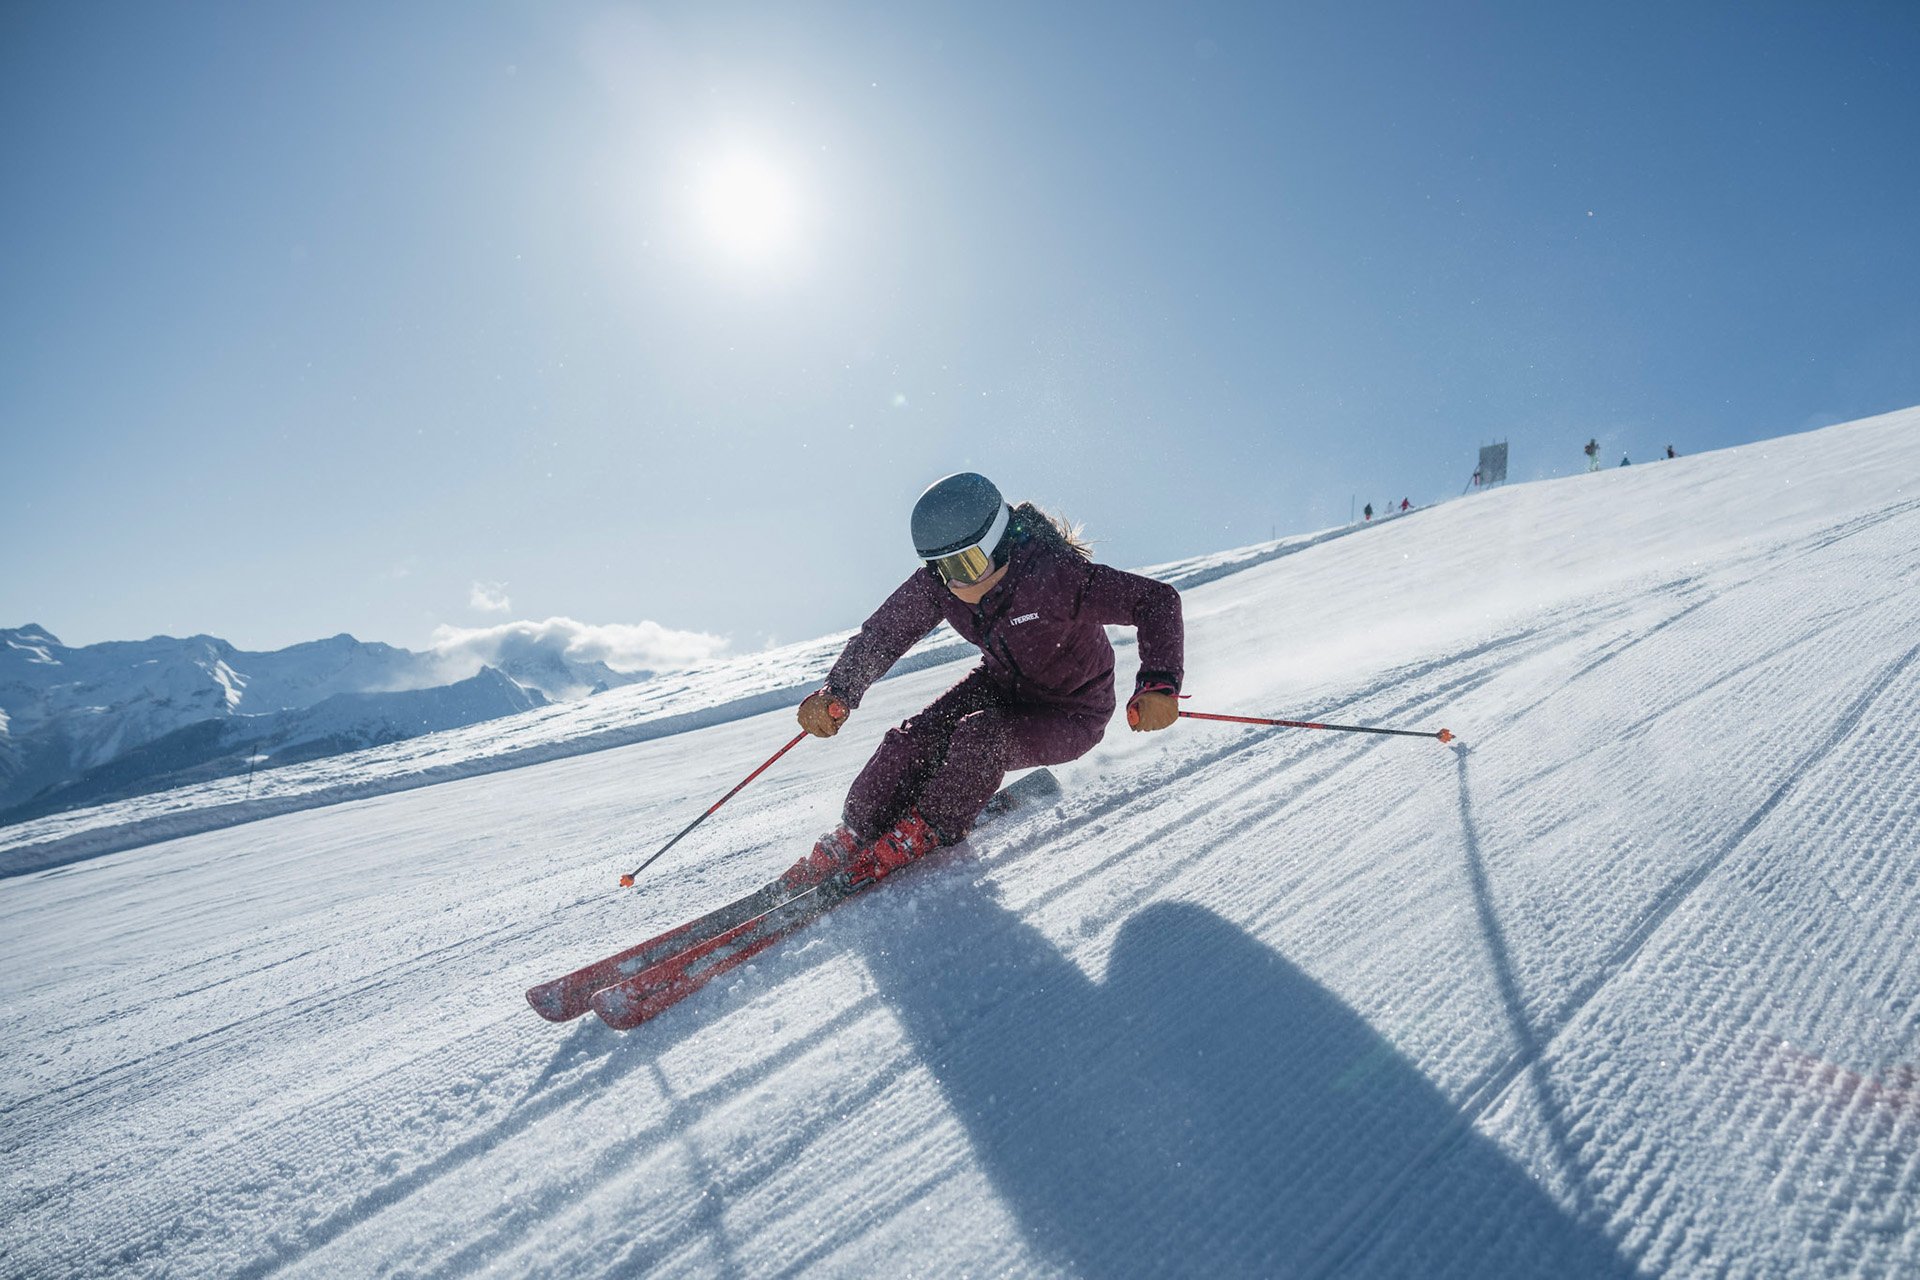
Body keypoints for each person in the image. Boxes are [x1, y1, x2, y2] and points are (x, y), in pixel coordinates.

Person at [780, 472, 1184, 892]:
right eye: (942, 568)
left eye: (967, 564)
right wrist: (838, 690)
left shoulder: (1054, 577)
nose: (957, 583)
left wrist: (1159, 683)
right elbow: (884, 636)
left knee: (982, 739)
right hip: (1001, 685)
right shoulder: (941, 586)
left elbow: (1155, 601)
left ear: (1000, 543)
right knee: (913, 740)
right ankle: (855, 831)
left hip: (1072, 713)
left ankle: (927, 826)